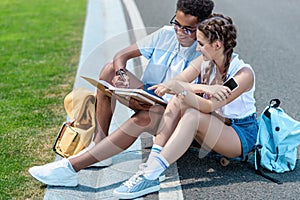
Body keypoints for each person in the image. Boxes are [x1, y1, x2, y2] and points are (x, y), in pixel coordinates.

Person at [28, 0, 214, 187]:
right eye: (177, 24)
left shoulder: (206, 52)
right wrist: (121, 75)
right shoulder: (165, 34)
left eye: (188, 29)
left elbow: (202, 103)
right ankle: (99, 143)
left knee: (145, 116)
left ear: (203, 26)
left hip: (173, 116)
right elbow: (121, 56)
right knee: (109, 69)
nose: (180, 32)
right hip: (150, 97)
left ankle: (70, 169)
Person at [113, 13, 258, 199]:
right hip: (216, 123)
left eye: (201, 44)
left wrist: (181, 89)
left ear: (217, 45)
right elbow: (177, 82)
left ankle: (151, 174)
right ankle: (153, 161)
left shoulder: (242, 75)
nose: (197, 49)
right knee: (179, 99)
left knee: (192, 113)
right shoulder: (205, 61)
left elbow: (207, 105)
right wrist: (198, 87)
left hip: (238, 133)